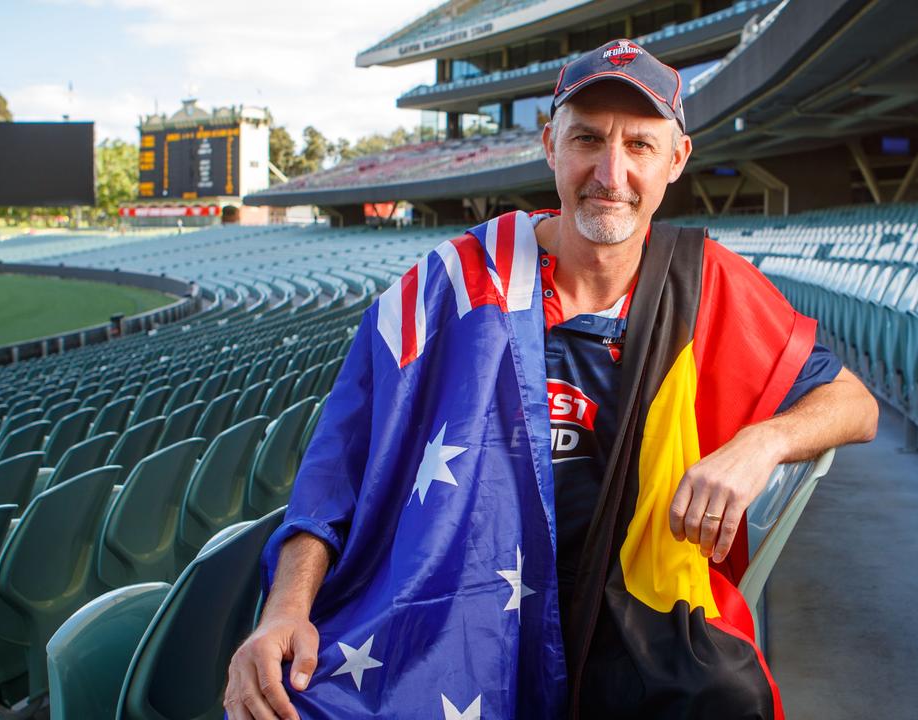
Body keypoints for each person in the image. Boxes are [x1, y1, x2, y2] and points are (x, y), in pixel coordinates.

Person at [224, 39, 878, 720]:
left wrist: (760, 444)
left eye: (640, 146)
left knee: (725, 698)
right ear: (551, 145)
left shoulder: (705, 280)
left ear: (677, 160)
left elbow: (854, 405)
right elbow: (337, 470)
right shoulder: (454, 284)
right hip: (461, 598)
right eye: (588, 139)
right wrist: (284, 610)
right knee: (294, 701)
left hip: (632, 606)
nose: (610, 172)